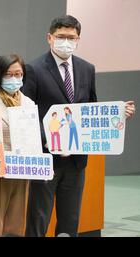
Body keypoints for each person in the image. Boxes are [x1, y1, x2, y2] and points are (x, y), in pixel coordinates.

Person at [21, 15, 136, 237]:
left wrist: (119, 114)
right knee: (39, 218)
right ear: (49, 38)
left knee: (70, 220)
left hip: (77, 160)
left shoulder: (87, 68)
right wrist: (50, 141)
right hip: (47, 158)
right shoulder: (34, 69)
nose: (66, 41)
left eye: (71, 37)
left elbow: (91, 109)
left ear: (78, 39)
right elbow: (27, 115)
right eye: (61, 37)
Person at [0, 54, 35, 237]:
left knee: (16, 220)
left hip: (21, 170)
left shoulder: (29, 103)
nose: (14, 79)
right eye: (8, 74)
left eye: (18, 74)